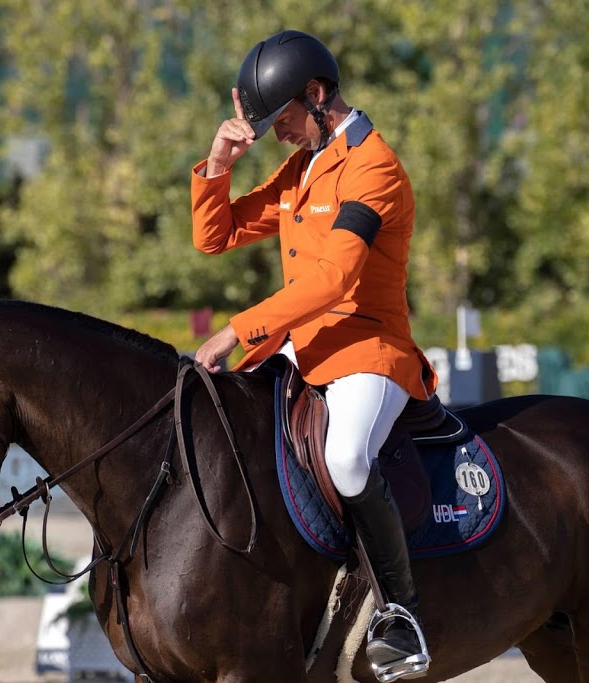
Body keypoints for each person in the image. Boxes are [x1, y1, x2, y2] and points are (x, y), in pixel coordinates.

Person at [191, 29, 436, 676]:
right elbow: (217, 235)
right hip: (305, 345)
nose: (276, 134)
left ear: (319, 95)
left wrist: (235, 330)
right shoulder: (303, 168)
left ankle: (402, 616)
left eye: (283, 119)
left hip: (368, 349)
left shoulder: (373, 167)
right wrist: (219, 161)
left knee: (348, 460)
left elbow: (335, 281)